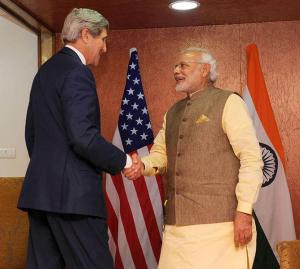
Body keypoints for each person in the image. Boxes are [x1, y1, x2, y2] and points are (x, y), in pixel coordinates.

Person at [18, 8, 138, 269]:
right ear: (85, 34)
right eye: (103, 39)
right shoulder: (78, 72)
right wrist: (125, 162)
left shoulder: (46, 71)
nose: (104, 48)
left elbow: (32, 135)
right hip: (74, 200)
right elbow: (82, 137)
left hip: (41, 196)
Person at [125, 47, 263, 269]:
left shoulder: (229, 102)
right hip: (176, 230)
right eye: (175, 66)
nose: (176, 70)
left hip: (222, 228)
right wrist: (143, 166)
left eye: (183, 65)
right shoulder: (173, 112)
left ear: (205, 70)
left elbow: (251, 159)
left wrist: (244, 211)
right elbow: (161, 154)